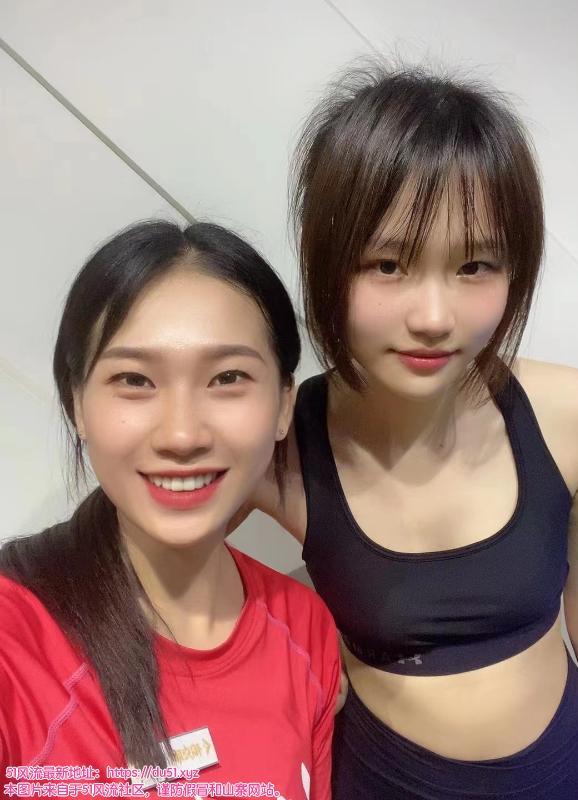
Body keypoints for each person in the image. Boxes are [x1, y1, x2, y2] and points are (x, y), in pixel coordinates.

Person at [241, 63, 578, 798]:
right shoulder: (284, 442)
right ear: (324, 257)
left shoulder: (574, 416)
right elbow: (131, 551)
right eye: (388, 264)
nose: (434, 317)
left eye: (475, 265)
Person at [0, 221, 340, 799]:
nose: (182, 435)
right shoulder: (16, 640)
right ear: (76, 403)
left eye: (228, 378)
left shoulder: (306, 629)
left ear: (284, 404)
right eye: (134, 380)